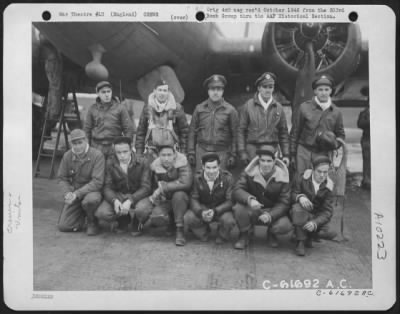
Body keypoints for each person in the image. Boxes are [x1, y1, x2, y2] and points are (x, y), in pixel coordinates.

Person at [232, 145, 293, 249]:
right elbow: (237, 190)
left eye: (269, 161)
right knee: (239, 208)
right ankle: (244, 234)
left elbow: (284, 202)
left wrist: (271, 215)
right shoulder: (248, 172)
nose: (265, 164)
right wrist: (250, 200)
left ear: (275, 161)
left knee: (285, 225)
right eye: (262, 160)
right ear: (258, 160)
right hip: (254, 209)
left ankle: (271, 233)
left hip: (272, 210)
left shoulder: (283, 176)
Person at [133, 145, 193, 246]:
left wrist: (162, 188)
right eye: (163, 155)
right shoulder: (154, 166)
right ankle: (141, 221)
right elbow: (149, 185)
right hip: (163, 199)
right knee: (150, 213)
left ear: (175, 154)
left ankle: (179, 229)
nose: (166, 158)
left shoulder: (183, 162)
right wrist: (155, 196)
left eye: (169, 155)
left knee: (179, 195)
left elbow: (186, 183)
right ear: (158, 156)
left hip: (181, 200)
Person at [290, 74, 345, 176]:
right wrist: (292, 154)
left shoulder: (336, 112)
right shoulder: (304, 108)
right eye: (320, 90)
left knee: (321, 182)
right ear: (315, 91)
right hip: (304, 151)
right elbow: (295, 132)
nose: (323, 93)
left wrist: (334, 144)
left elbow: (341, 135)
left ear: (331, 91)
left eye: (326, 89)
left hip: (324, 153)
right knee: (301, 180)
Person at [95, 136, 152, 233]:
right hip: (120, 194)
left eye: (125, 152)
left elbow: (146, 187)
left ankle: (137, 221)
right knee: (102, 213)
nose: (122, 156)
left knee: (141, 210)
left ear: (131, 149)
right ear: (114, 152)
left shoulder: (143, 162)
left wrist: (130, 200)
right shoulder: (110, 163)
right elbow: (107, 187)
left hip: (139, 195)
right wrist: (114, 200)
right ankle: (123, 219)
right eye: (119, 152)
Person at [57, 129, 105, 235]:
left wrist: (76, 194)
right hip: (75, 191)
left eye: (80, 143)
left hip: (92, 191)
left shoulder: (97, 155)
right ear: (70, 144)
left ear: (86, 141)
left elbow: (97, 182)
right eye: (74, 143)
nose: (77, 146)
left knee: (90, 201)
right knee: (64, 226)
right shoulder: (67, 156)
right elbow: (62, 178)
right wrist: (67, 193)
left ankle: (92, 222)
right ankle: (82, 217)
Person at [187, 75, 239, 170]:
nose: (215, 92)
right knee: (200, 180)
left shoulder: (230, 110)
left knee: (220, 181)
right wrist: (191, 152)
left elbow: (236, 134)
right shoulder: (199, 109)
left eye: (219, 89)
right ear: (208, 91)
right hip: (201, 151)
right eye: (212, 89)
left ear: (223, 91)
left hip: (222, 152)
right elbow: (192, 132)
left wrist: (233, 154)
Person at [238, 72, 290, 167]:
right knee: (253, 178)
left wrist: (286, 154)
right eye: (264, 87)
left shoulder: (278, 107)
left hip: (272, 148)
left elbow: (283, 133)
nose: (267, 90)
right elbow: (241, 130)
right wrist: (242, 152)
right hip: (253, 149)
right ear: (259, 88)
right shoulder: (248, 106)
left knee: (272, 177)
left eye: (270, 87)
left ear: (273, 89)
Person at [184, 152, 237, 244]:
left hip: (221, 209)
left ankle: (222, 235)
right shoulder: (197, 178)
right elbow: (194, 198)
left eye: (214, 167)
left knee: (229, 221)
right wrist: (200, 212)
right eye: (208, 167)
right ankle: (204, 232)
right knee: (188, 217)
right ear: (203, 167)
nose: (211, 171)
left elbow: (230, 201)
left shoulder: (228, 178)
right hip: (203, 208)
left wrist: (215, 211)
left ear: (219, 166)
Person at [135, 79, 189, 161]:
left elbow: (184, 132)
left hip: (171, 151)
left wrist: (183, 152)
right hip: (151, 150)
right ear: (154, 91)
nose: (162, 93)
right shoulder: (147, 108)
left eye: (164, 90)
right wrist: (139, 153)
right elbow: (141, 132)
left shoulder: (177, 108)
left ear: (168, 92)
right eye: (159, 90)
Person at [290, 155, 334, 256]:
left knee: (330, 232)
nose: (322, 175)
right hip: (300, 212)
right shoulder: (301, 178)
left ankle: (310, 235)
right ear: (313, 169)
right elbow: (291, 194)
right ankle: (300, 241)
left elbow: (327, 211)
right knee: (298, 209)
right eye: (319, 171)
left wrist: (315, 222)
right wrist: (300, 197)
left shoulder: (329, 186)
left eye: (325, 172)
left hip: (315, 215)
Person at [84, 81, 135, 159]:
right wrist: (87, 147)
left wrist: (126, 146)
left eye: (109, 91)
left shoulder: (120, 108)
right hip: (97, 147)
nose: (107, 94)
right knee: (97, 170)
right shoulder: (92, 109)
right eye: (103, 92)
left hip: (115, 146)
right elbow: (87, 130)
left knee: (115, 170)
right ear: (98, 93)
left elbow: (128, 129)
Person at [357, 87, 370, 190]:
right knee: (367, 160)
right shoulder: (365, 113)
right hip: (367, 139)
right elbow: (360, 124)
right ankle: (367, 181)